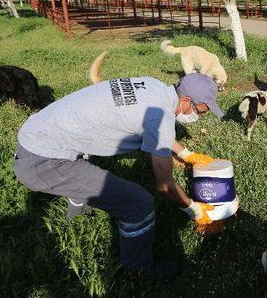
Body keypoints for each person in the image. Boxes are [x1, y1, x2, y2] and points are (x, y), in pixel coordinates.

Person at [13, 73, 224, 281]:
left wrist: (185, 153)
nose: (199, 117)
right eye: (200, 112)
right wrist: (194, 209)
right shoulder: (160, 114)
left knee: (94, 182)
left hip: (37, 134)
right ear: (186, 101)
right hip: (42, 161)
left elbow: (156, 130)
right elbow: (165, 187)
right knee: (138, 203)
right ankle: (137, 268)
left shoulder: (153, 86)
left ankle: (78, 203)